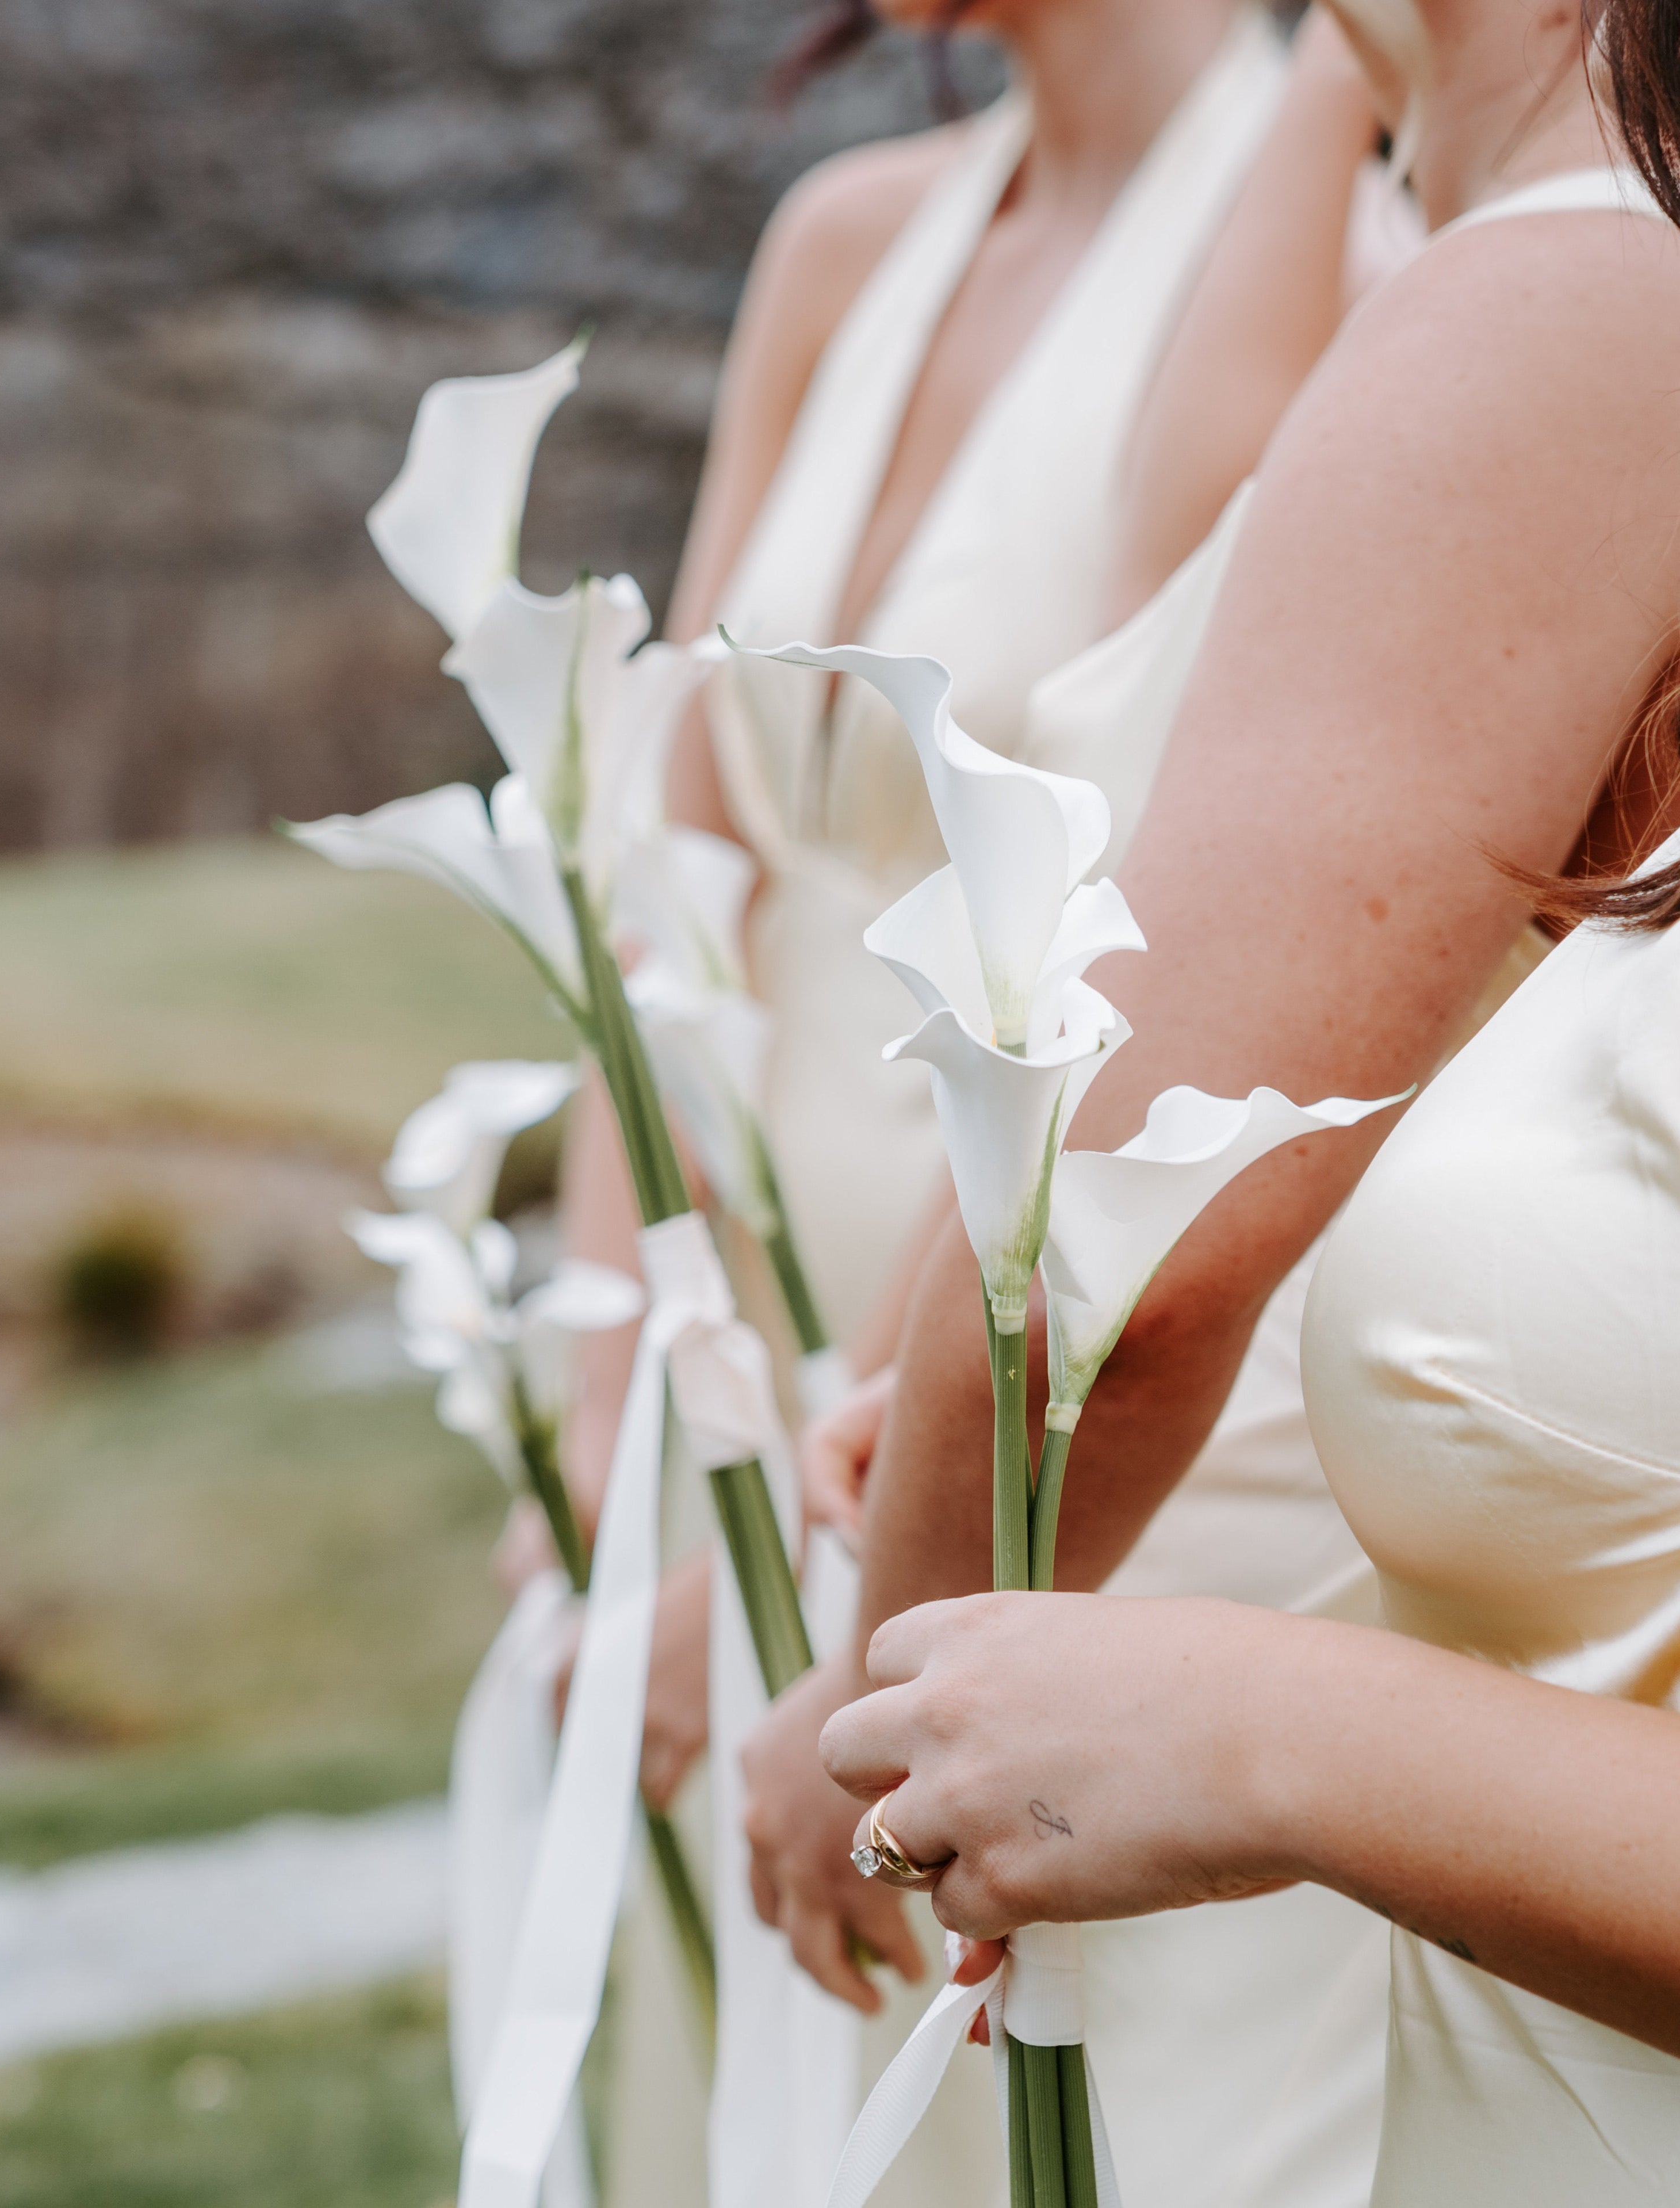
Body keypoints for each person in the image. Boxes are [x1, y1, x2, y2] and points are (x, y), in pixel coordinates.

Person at [742, 0, 1680, 2200]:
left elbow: (1135, 1252)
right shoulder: (1493, 258)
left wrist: (896, 1672)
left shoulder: (1565, 300)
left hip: (1184, 1641)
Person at [549, 4, 1406, 2202]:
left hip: (1050, 1406)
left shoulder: (1354, 227)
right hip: (736, 1392)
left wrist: (855, 1509)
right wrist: (625, 1447)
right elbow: (664, 878)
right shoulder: (848, 242)